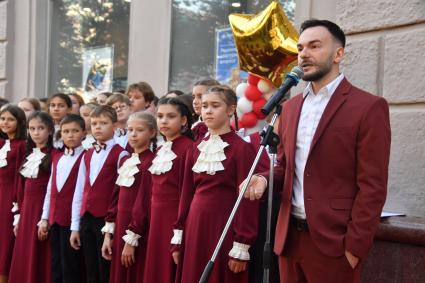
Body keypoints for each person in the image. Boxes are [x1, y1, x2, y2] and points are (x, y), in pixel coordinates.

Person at [241, 19, 391, 283]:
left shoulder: (368, 106)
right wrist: (264, 179)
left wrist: (354, 247)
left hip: (335, 246)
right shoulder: (290, 108)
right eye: (300, 48)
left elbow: (372, 185)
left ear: (338, 53)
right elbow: (286, 167)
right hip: (289, 241)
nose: (304, 54)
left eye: (314, 46)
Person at [172, 86, 259, 283]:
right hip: (195, 225)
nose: (208, 111)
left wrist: (241, 244)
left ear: (231, 109)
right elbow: (186, 194)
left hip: (223, 225)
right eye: (204, 106)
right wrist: (178, 237)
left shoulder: (242, 149)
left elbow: (247, 200)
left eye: (215, 105)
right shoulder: (195, 148)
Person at [69, 105, 128, 283]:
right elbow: (79, 190)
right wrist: (75, 226)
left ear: (115, 126)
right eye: (94, 123)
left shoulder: (121, 154)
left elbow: (121, 193)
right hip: (86, 218)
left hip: (106, 221)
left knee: (105, 269)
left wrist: (112, 224)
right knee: (90, 270)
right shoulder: (87, 155)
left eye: (103, 123)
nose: (98, 127)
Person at [142, 97, 193, 283]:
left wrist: (178, 232)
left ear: (184, 120)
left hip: (174, 220)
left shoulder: (189, 149)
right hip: (156, 221)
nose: (164, 121)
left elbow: (187, 193)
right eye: (160, 116)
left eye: (171, 116)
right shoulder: (161, 149)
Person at [101, 112, 156, 283]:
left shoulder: (151, 162)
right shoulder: (127, 161)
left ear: (152, 133)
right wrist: (108, 234)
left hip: (137, 230)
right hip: (120, 227)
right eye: (130, 129)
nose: (133, 134)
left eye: (139, 130)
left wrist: (132, 239)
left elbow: (143, 203)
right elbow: (115, 199)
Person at [38, 114, 86, 283]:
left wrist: (76, 225)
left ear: (84, 133)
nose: (70, 135)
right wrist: (44, 218)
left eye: (75, 131)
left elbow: (81, 193)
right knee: (56, 264)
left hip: (72, 221)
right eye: (66, 131)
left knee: (72, 267)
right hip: (55, 220)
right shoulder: (57, 157)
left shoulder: (86, 157)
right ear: (61, 134)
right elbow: (50, 189)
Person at [9, 111, 55, 283]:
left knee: (41, 254)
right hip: (27, 211)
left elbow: (53, 191)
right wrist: (18, 216)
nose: (36, 132)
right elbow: (21, 189)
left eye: (41, 128)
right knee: (24, 253)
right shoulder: (29, 155)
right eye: (32, 128)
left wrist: (46, 217)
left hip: (41, 211)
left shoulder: (54, 155)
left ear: (50, 130)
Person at [0, 105, 27, 283]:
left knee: (5, 240)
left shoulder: (22, 145)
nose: (5, 123)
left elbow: (19, 176)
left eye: (10, 119)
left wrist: (17, 202)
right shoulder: (1, 143)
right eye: (2, 119)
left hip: (8, 198)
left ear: (19, 122)